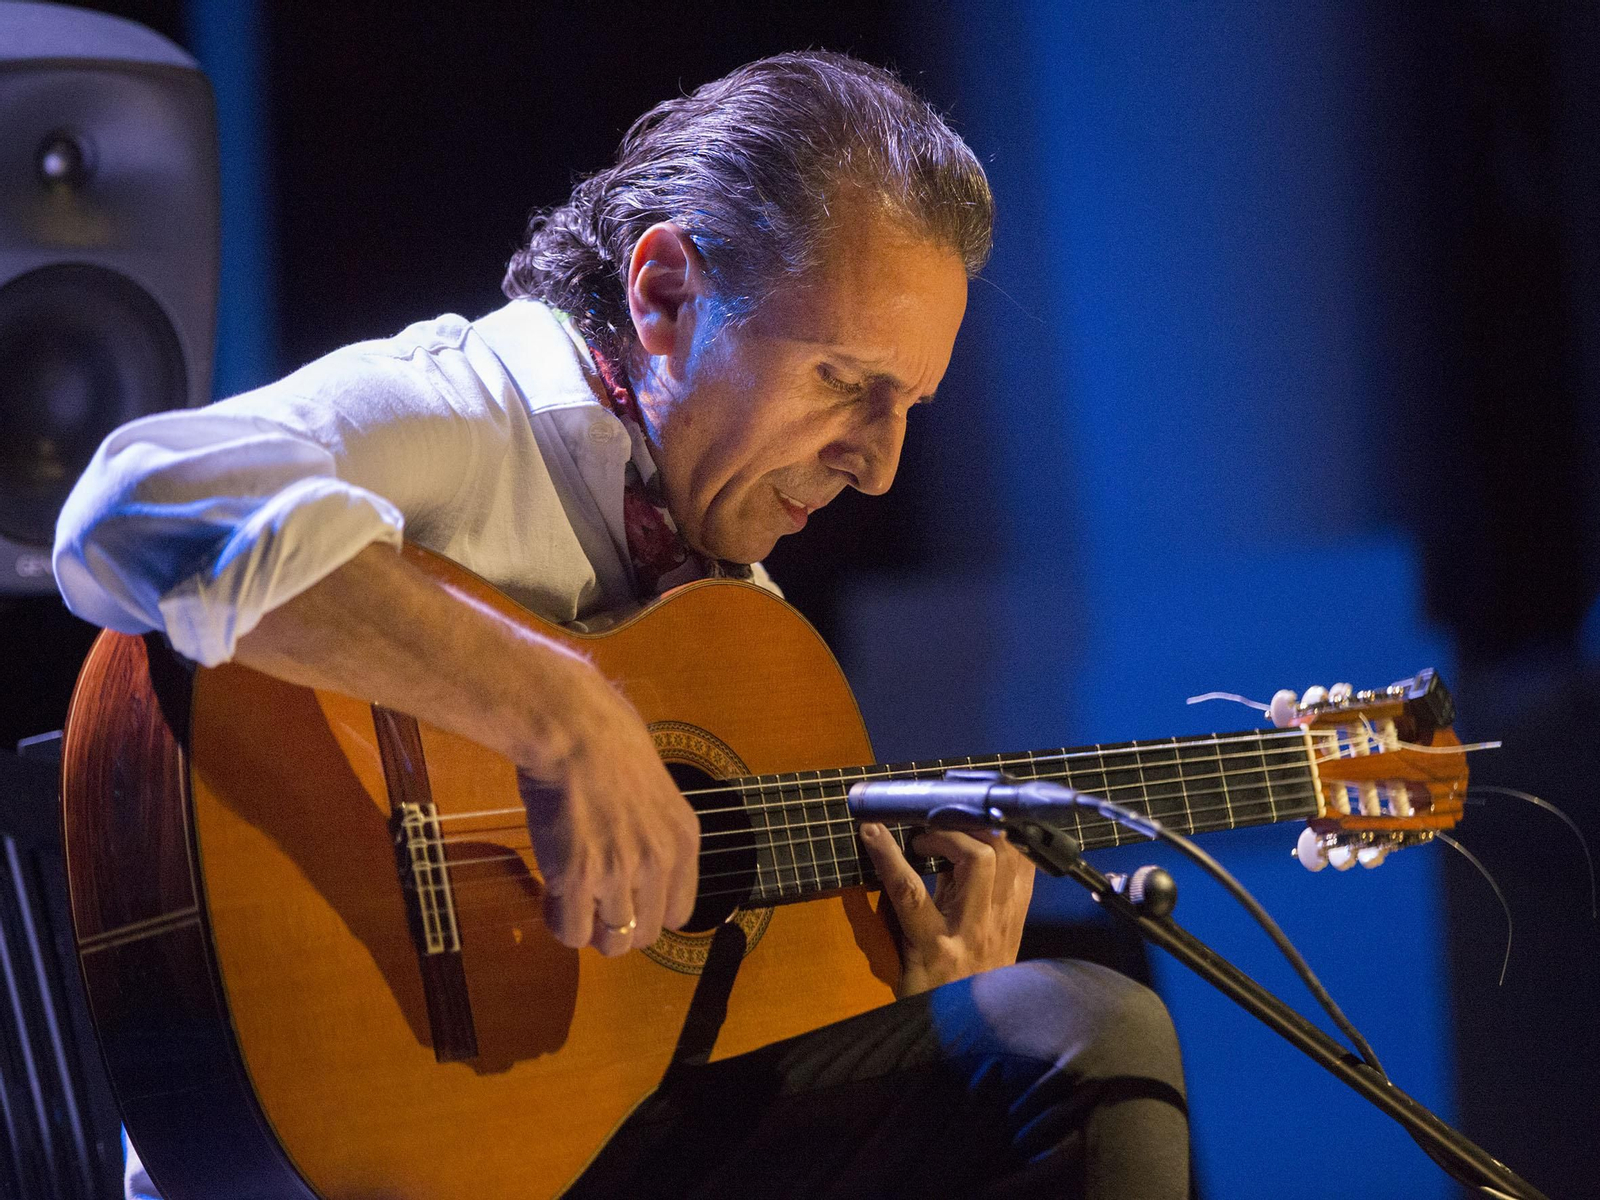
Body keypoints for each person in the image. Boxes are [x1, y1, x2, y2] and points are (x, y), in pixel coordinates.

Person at [55, 51, 1189, 1199]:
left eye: (905, 408)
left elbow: (688, 1072)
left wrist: (929, 1008)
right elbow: (131, 504)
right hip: (327, 1162)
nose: (879, 463)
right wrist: (555, 709)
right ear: (663, 294)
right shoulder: (466, 408)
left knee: (1009, 1047)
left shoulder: (742, 627)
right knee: (1081, 1029)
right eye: (845, 380)